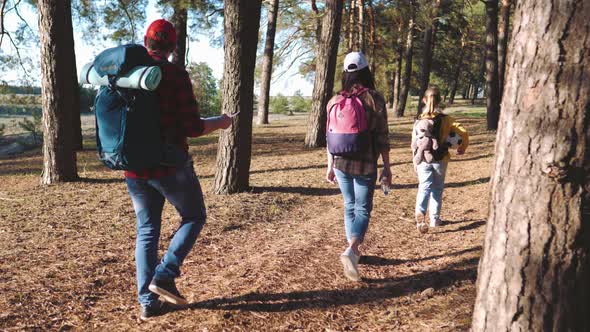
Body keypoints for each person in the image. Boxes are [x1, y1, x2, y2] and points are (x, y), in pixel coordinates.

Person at [125, 19, 232, 320]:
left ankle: (147, 302)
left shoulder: (128, 73)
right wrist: (222, 122)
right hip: (169, 166)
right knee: (194, 215)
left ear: (146, 43)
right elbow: (193, 127)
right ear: (172, 47)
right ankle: (165, 274)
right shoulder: (173, 74)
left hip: (134, 169)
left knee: (147, 231)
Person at [325, 52, 391, 282]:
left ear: (346, 73)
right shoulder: (374, 98)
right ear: (366, 71)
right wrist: (387, 167)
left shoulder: (334, 100)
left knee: (349, 205)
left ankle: (352, 249)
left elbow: (329, 136)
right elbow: (382, 135)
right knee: (362, 209)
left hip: (341, 161)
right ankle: (352, 250)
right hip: (365, 162)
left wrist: (330, 165)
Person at [413, 86, 469, 232]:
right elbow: (463, 132)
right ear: (440, 101)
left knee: (424, 186)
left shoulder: (419, 120)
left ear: (424, 100)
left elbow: (414, 141)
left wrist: (415, 160)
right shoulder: (447, 120)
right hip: (440, 159)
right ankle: (434, 219)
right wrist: (462, 147)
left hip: (423, 159)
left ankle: (420, 212)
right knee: (437, 189)